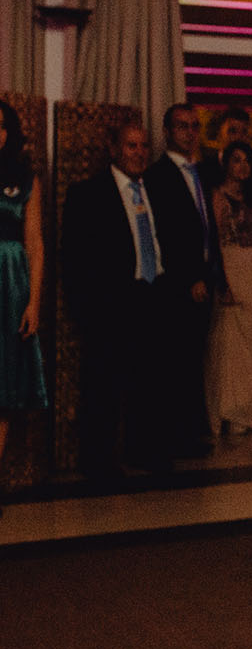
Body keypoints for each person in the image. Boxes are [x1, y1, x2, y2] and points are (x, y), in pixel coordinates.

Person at [62, 123, 170, 476]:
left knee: (149, 382)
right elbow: (73, 259)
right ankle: (98, 464)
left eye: (143, 146)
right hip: (110, 305)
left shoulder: (156, 190)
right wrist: (85, 312)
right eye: (131, 146)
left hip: (151, 297)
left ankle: (144, 452)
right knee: (103, 387)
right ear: (113, 149)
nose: (139, 153)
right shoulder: (88, 194)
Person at [143, 104, 219, 461]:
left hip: (204, 278)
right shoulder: (157, 175)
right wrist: (190, 278)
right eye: (182, 127)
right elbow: (167, 234)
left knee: (193, 360)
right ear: (167, 132)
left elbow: (205, 226)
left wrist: (211, 273)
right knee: (174, 362)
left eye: (194, 126)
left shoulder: (200, 171)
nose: (190, 133)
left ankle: (189, 433)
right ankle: (172, 438)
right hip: (178, 284)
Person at [203, 141, 252, 436]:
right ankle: (230, 410)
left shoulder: (251, 196)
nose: (242, 166)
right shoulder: (218, 197)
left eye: (246, 160)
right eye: (236, 160)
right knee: (231, 342)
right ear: (225, 165)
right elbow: (216, 242)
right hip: (232, 266)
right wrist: (221, 280)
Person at [0, 100, 46, 478]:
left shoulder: (25, 179)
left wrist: (34, 303)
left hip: (10, 287)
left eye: (1, 126)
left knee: (3, 391)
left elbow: (35, 243)